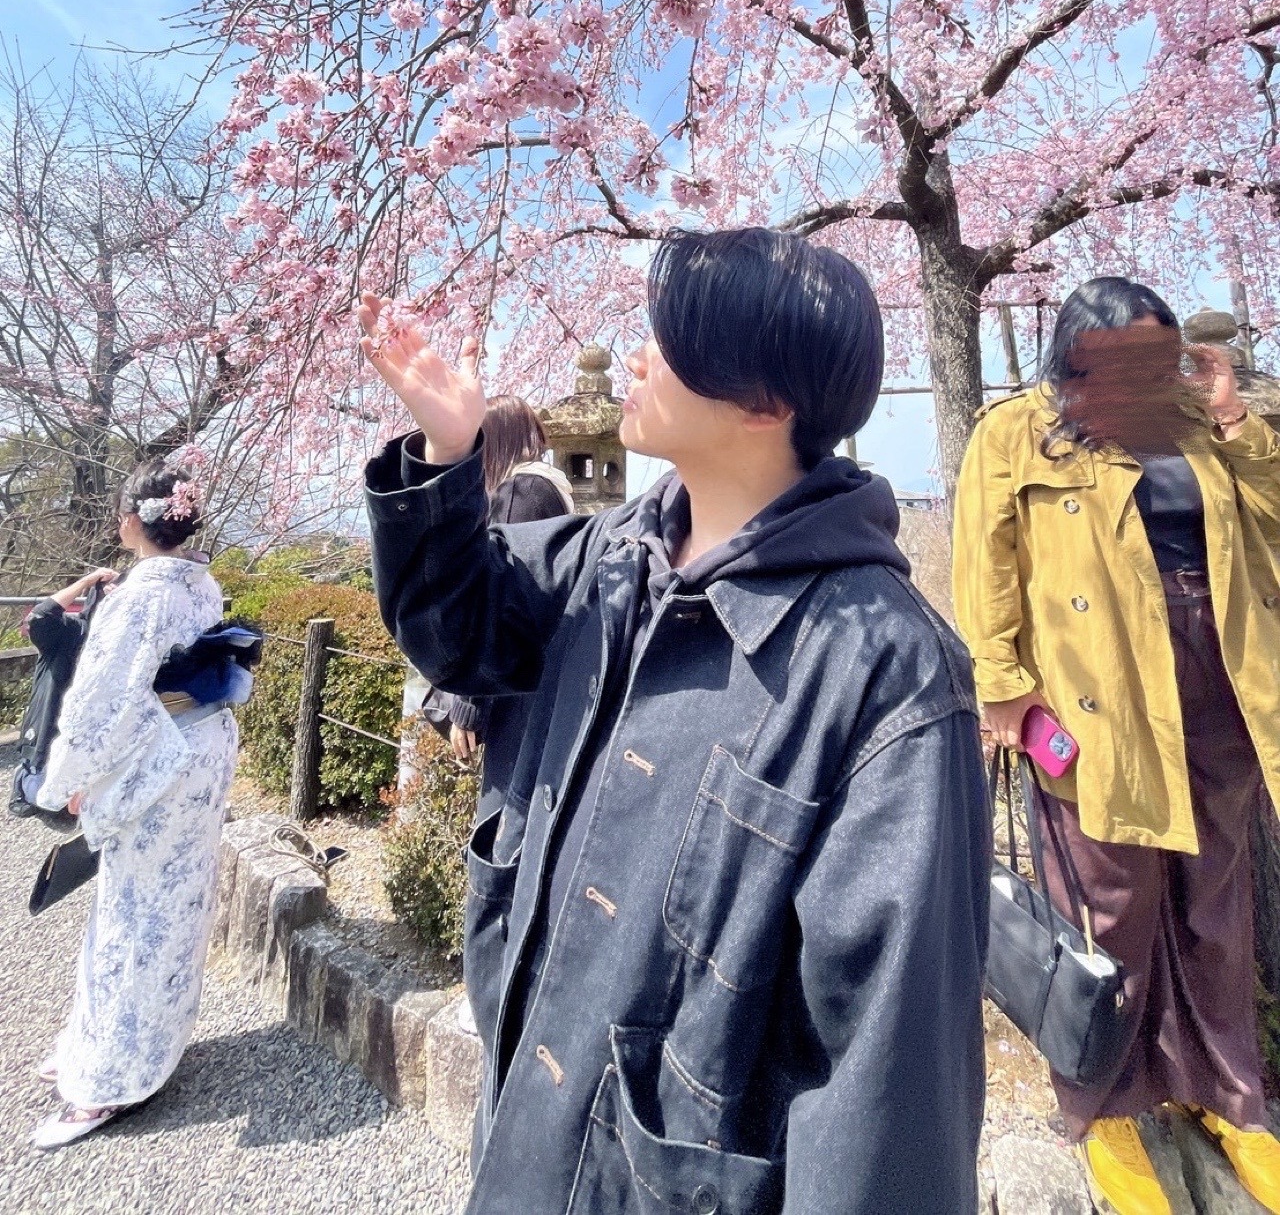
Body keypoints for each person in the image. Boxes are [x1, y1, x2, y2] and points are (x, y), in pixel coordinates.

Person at [360, 227, 990, 1215]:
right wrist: (447, 451)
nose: (639, 352)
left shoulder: (885, 667)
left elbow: (887, 1067)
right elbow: (460, 634)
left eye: (671, 337)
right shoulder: (608, 557)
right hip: (527, 1135)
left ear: (764, 404)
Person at [953, 277, 1280, 1215]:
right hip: (1097, 686)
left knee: (1215, 895)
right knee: (1108, 900)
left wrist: (1234, 422)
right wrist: (1002, 684)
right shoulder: (1019, 429)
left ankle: (1231, 1098)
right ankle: (1105, 1108)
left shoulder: (1201, 425)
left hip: (1221, 673)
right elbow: (986, 561)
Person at [29, 459, 240, 1152]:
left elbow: (102, 702)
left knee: (135, 913)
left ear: (131, 522)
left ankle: (110, 1077)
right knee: (174, 906)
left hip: (162, 765)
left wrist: (64, 782)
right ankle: (125, 1044)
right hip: (202, 750)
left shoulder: (140, 597)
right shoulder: (198, 581)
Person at [401, 396, 574, 815]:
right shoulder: (549, 489)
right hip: (539, 676)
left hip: (512, 689)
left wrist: (469, 703)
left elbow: (501, 598)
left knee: (504, 812)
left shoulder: (520, 493)